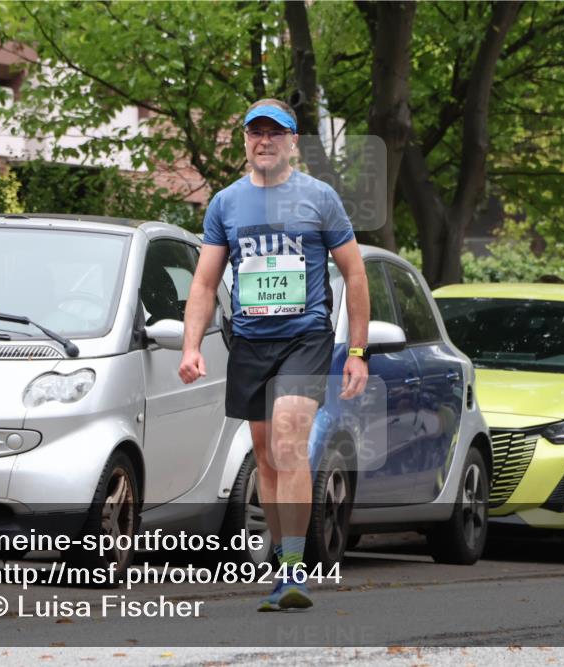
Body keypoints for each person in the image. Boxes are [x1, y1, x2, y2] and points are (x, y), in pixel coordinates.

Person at [179, 99, 370, 611]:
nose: (264, 141)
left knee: (288, 441)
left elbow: (355, 273)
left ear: (292, 142)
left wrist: (357, 350)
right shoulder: (226, 203)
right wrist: (191, 345)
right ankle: (281, 571)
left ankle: (293, 571)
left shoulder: (319, 198)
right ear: (245, 141)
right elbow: (205, 280)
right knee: (265, 455)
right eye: (255, 133)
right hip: (250, 341)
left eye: (274, 132)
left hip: (305, 337)